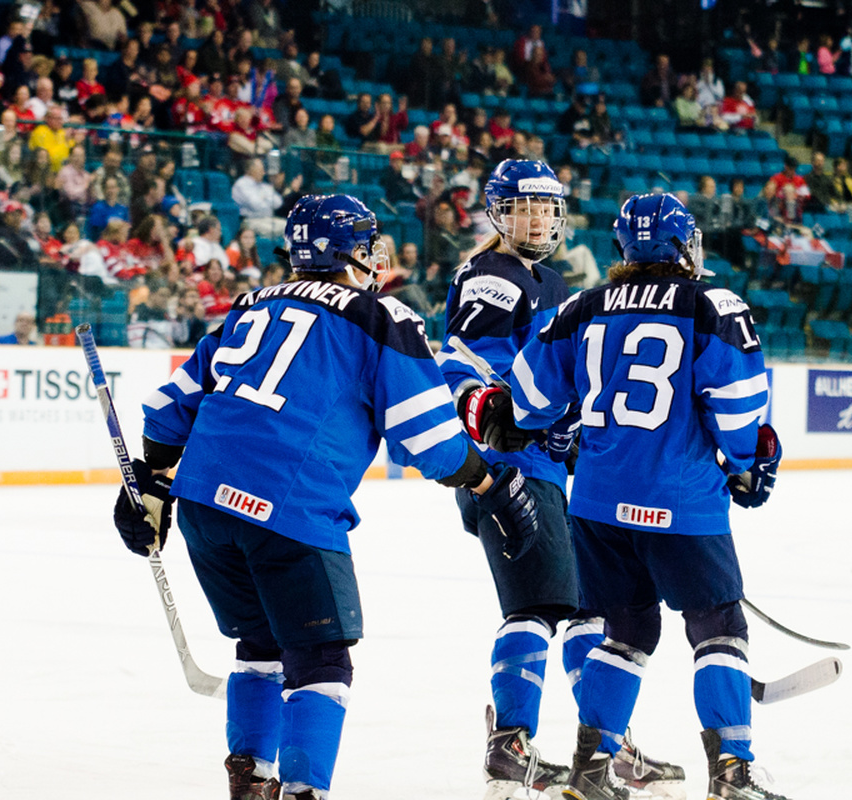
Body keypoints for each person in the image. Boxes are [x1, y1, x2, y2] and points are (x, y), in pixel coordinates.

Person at [111, 194, 540, 800]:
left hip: (204, 503)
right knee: (321, 661)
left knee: (259, 645)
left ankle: (250, 780)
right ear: (350, 253)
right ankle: (303, 790)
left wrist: (150, 480)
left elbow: (166, 411)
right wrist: (491, 483)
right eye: (366, 244)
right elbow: (433, 441)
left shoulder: (249, 305)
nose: (374, 257)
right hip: (289, 506)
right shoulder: (381, 318)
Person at [505, 192, 787, 800]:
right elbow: (740, 412)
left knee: (626, 631)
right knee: (718, 627)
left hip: (599, 506)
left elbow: (527, 399)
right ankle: (734, 772)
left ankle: (591, 770)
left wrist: (559, 422)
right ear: (683, 245)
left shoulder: (581, 305)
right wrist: (749, 464)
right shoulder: (711, 304)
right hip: (681, 501)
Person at [436, 161, 683, 799]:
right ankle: (510, 745)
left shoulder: (550, 280)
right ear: (496, 212)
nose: (539, 219)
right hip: (507, 469)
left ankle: (607, 745)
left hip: (545, 468)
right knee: (539, 605)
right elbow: (465, 362)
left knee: (581, 610)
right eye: (523, 208)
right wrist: (494, 410)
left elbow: (559, 378)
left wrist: (573, 423)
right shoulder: (492, 275)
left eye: (548, 208)